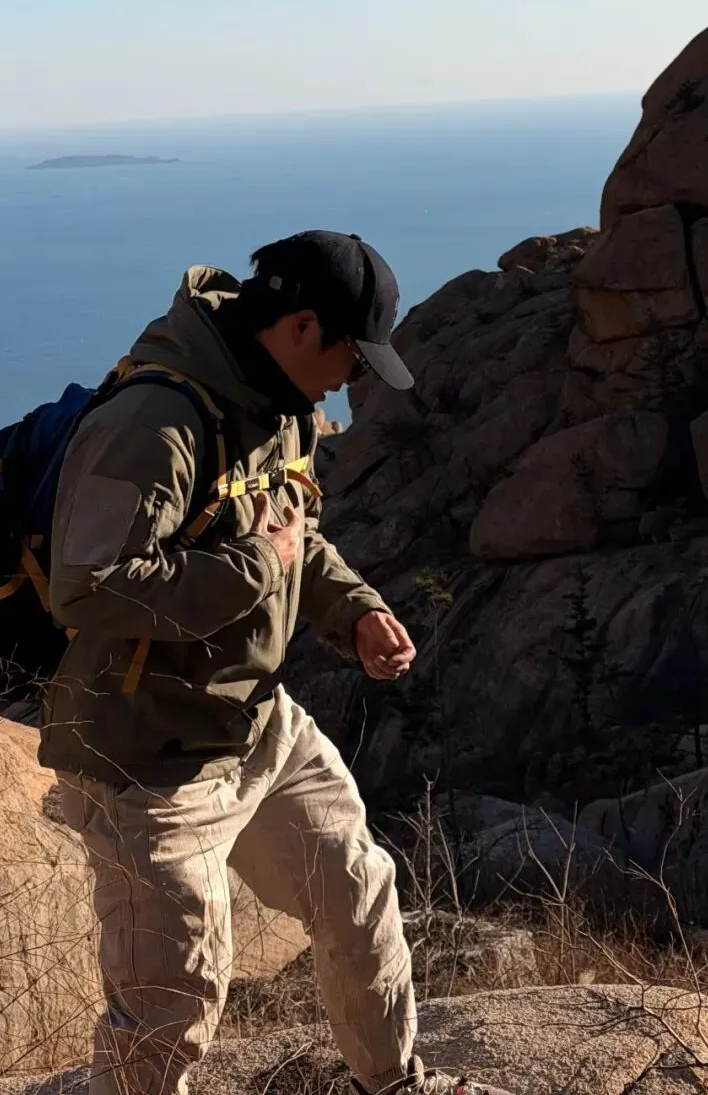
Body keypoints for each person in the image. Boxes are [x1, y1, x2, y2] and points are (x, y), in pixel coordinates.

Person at [43, 232, 446, 1095]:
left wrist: (356, 610)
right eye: (353, 357)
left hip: (257, 723)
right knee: (171, 1002)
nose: (353, 380)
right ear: (301, 327)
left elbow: (297, 535)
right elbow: (88, 587)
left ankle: (394, 1083)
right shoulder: (152, 424)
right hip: (148, 759)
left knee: (358, 892)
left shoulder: (283, 405)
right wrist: (259, 565)